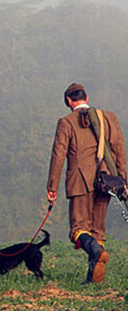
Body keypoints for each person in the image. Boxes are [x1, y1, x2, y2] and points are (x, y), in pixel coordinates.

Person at [46, 83, 126, 283]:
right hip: (106, 180)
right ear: (86, 97)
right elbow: (119, 150)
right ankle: (93, 278)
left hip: (80, 181)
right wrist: (122, 179)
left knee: (78, 230)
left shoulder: (66, 122)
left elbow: (58, 156)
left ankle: (96, 254)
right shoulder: (108, 117)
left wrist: (52, 187)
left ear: (68, 101)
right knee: (97, 230)